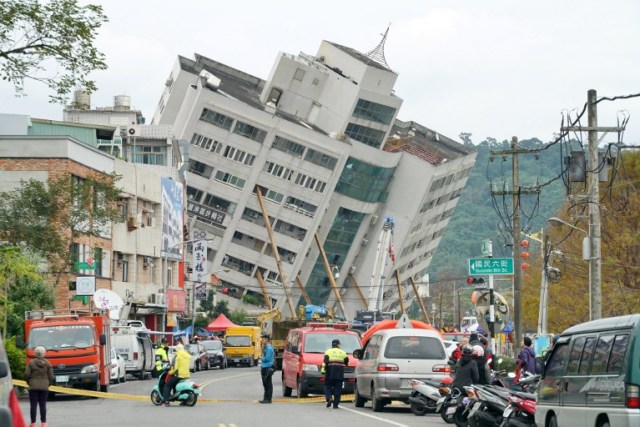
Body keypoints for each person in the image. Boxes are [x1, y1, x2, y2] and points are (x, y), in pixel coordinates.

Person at [24, 345, 53, 427]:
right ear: (44, 353)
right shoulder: (48, 363)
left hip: (33, 386)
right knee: (42, 404)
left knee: (33, 405)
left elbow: (26, 374)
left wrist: (29, 382)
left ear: (35, 353)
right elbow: (51, 376)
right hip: (44, 386)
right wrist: (48, 383)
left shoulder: (31, 363)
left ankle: (33, 423)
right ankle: (44, 423)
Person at [321, 339, 349, 409]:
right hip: (339, 374)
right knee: (338, 389)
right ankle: (336, 405)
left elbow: (325, 362)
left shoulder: (328, 351)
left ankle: (329, 398)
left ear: (332, 345)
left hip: (329, 373)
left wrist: (323, 371)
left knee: (327, 387)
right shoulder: (343, 352)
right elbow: (347, 362)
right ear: (338, 345)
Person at [259, 333, 275, 404]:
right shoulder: (266, 347)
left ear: (266, 340)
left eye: (263, 339)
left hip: (267, 366)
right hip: (265, 366)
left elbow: (267, 358)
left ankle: (268, 399)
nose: (262, 340)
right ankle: (265, 398)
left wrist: (262, 358)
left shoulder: (268, 348)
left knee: (267, 383)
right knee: (265, 383)